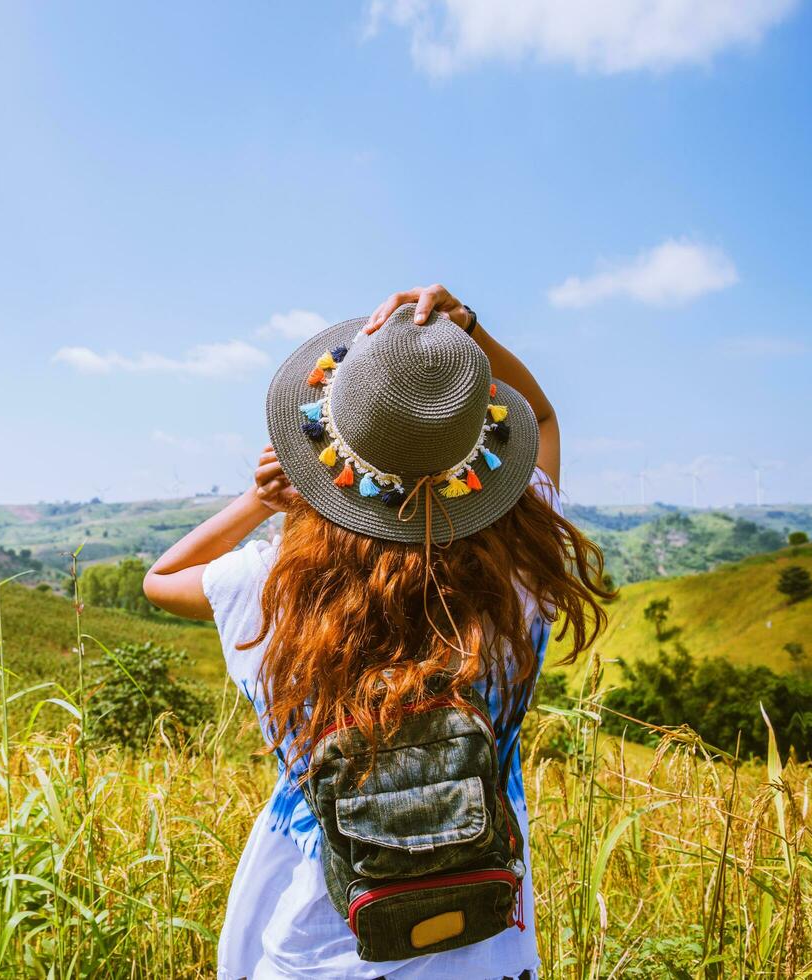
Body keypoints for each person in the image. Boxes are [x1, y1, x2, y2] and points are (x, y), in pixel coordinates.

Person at [143, 284, 612, 979]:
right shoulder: (520, 580)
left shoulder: (274, 590)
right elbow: (540, 417)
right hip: (483, 946)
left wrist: (256, 502)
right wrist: (468, 334)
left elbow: (162, 579)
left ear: (327, 458)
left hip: (313, 951)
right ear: (480, 457)